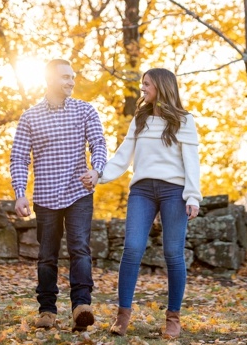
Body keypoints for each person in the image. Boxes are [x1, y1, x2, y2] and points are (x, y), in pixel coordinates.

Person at [81, 68, 202, 339]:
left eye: (146, 84)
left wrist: (193, 195)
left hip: (175, 191)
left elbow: (192, 162)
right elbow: (123, 157)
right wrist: (99, 174)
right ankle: (122, 315)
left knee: (173, 253)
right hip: (142, 191)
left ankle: (173, 318)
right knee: (132, 249)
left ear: (161, 86)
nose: (142, 88)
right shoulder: (140, 119)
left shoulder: (184, 120)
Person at [10, 59, 108, 332]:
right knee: (46, 255)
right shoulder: (30, 117)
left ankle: (81, 307)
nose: (71, 81)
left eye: (73, 77)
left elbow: (98, 142)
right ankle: (47, 311)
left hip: (79, 192)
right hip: (45, 195)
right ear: (50, 79)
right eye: (65, 77)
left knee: (79, 248)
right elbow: (19, 157)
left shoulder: (84, 110)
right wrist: (20, 194)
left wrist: (96, 170)